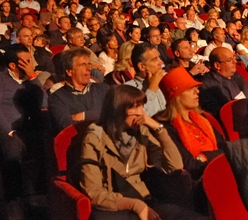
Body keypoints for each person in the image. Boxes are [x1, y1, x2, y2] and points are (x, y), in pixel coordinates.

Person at [79, 85, 199, 220]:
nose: (141, 113)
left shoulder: (142, 132)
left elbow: (175, 166)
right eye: (135, 107)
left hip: (144, 199)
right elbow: (93, 192)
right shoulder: (95, 138)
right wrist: (136, 205)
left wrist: (159, 129)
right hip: (113, 206)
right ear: (118, 110)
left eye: (142, 106)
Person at [0, 45, 48, 211]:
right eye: (26, 62)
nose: (31, 65)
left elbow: (44, 104)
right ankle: (13, 200)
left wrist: (32, 76)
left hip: (21, 129)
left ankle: (41, 193)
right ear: (13, 65)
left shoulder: (29, 82)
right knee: (12, 145)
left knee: (47, 137)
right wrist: (10, 131)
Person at [154, 67, 224, 211]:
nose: (197, 91)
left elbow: (227, 148)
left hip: (219, 173)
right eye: (190, 89)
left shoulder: (202, 118)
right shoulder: (166, 126)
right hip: (195, 187)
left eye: (196, 88)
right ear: (177, 95)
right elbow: (189, 165)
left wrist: (205, 157)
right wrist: (216, 158)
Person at [48, 48, 109, 134]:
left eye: (89, 64)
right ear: (69, 71)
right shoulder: (57, 98)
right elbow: (67, 127)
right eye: (83, 65)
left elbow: (117, 114)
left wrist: (84, 115)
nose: (89, 68)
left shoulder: (103, 89)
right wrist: (101, 117)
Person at [198, 47, 248, 119]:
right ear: (217, 65)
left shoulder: (236, 75)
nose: (235, 61)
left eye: (234, 58)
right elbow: (219, 114)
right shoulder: (208, 86)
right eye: (230, 60)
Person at [124, 42, 167, 117]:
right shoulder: (128, 89)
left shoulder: (166, 79)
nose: (161, 62)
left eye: (159, 58)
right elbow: (138, 118)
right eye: (154, 59)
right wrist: (152, 89)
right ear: (142, 66)